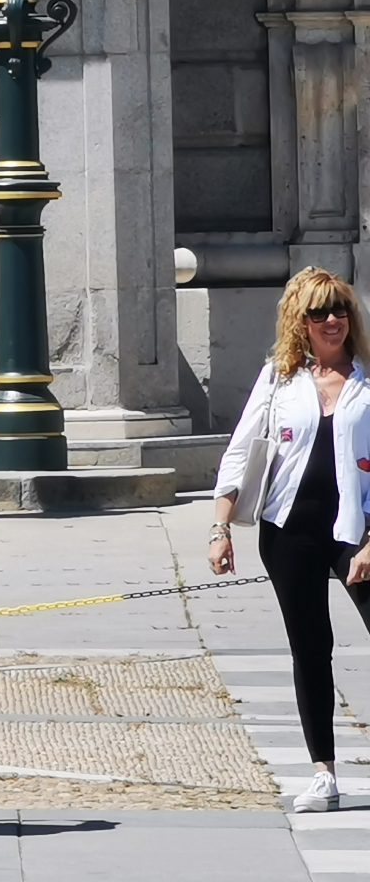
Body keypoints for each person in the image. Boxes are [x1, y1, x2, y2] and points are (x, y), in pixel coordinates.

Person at [211, 266, 370, 814]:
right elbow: (241, 451)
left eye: (340, 310)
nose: (333, 321)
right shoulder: (280, 379)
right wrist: (221, 526)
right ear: (299, 323)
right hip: (289, 532)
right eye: (319, 313)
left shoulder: (367, 379)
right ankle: (323, 772)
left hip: (358, 531)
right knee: (311, 650)